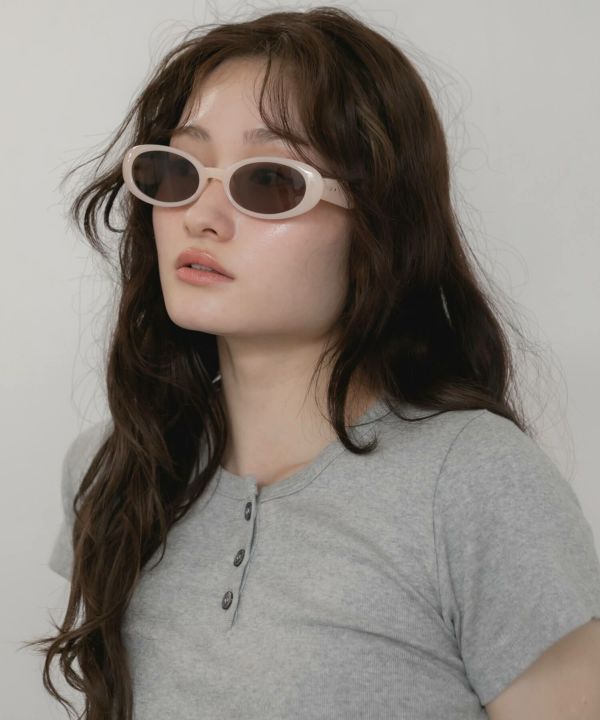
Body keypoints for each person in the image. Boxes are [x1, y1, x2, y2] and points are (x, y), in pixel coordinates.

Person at [27, 6, 600, 720]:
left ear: (378, 227)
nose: (201, 216)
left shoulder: (476, 483)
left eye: (268, 180)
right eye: (180, 170)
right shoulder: (113, 466)